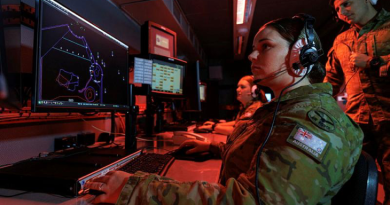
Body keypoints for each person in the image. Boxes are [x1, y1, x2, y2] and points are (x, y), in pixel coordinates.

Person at [84, 14, 363, 204]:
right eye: (254, 48)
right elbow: (270, 152)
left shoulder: (310, 122)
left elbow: (254, 201)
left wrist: (133, 188)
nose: (252, 55)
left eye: (265, 46)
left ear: (301, 55)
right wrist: (216, 149)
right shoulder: (290, 109)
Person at [325, 0, 390, 203]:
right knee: (353, 183)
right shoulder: (341, 40)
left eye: (346, 4)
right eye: (337, 9)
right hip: (357, 125)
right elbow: (330, 82)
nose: (342, 12)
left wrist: (374, 62)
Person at [198, 75, 263, 135]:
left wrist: (213, 127)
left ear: (253, 91)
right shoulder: (247, 106)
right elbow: (237, 123)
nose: (237, 90)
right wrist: (216, 124)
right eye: (238, 87)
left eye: (242, 87)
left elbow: (237, 131)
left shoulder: (254, 109)